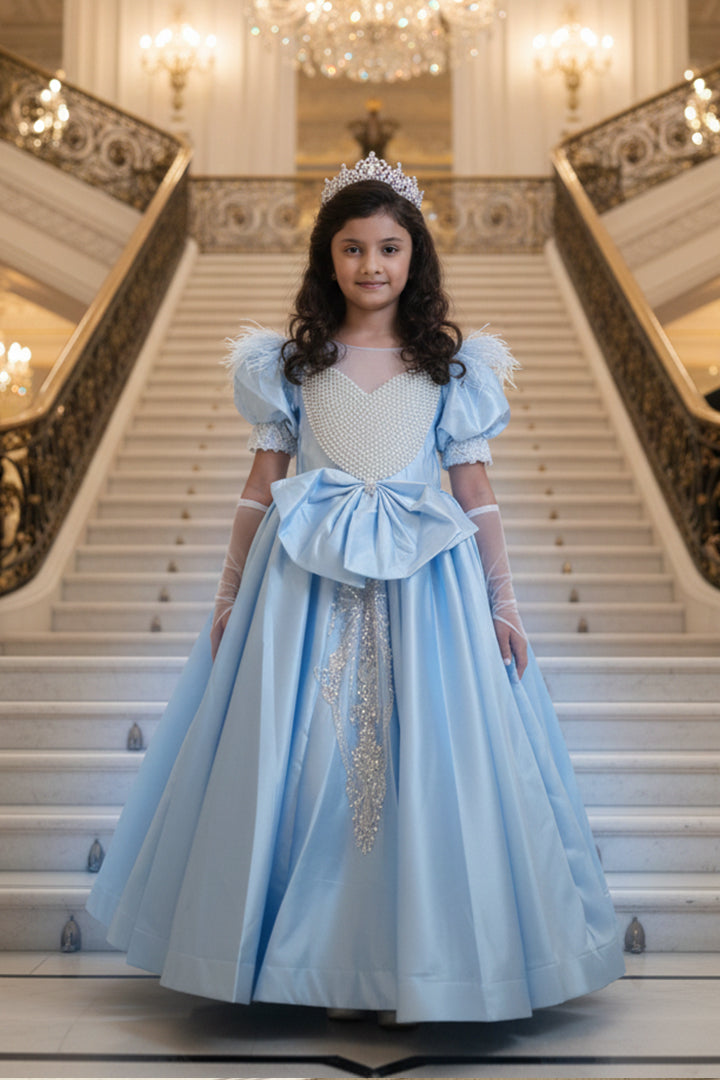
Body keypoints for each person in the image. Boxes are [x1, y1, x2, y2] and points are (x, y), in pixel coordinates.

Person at [86, 153, 625, 1023]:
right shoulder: (291, 365)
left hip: (429, 593)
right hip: (304, 587)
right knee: (307, 757)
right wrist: (228, 596)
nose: (370, 265)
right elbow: (258, 489)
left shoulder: (447, 367)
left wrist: (505, 603)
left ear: (415, 259)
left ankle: (419, 958)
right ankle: (314, 962)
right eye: (351, 248)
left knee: (428, 759)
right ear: (326, 258)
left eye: (388, 248)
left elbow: (476, 496)